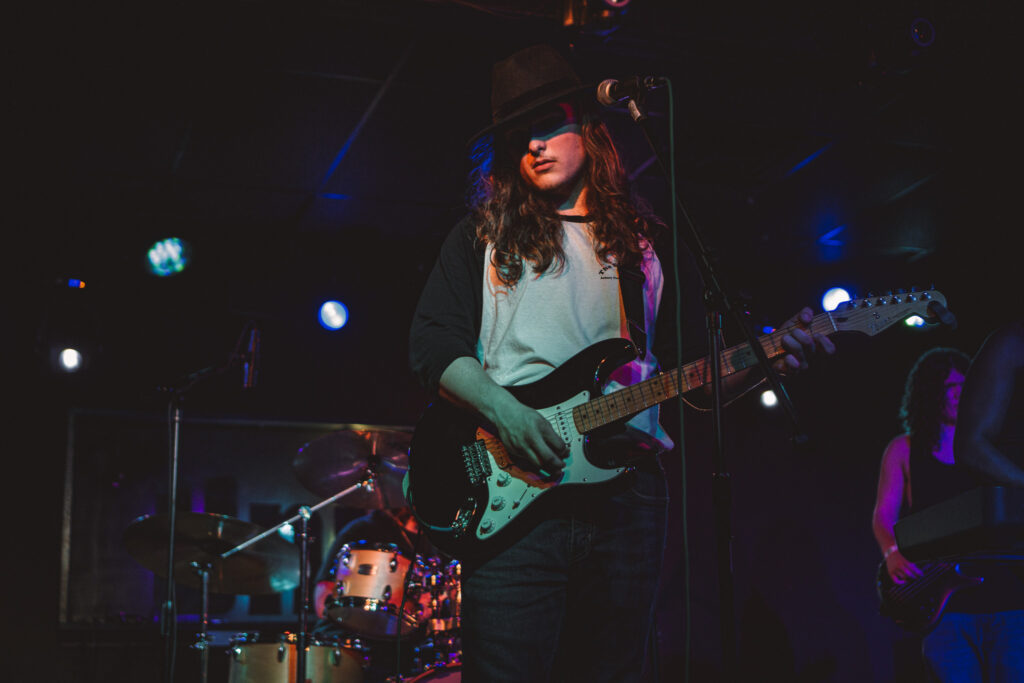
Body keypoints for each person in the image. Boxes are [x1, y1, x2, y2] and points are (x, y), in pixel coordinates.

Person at [407, 44, 835, 682]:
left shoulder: (641, 251)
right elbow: (433, 345)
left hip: (628, 500)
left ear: (588, 126)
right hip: (515, 484)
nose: (534, 144)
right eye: (518, 134)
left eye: (548, 123)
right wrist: (508, 412)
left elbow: (688, 380)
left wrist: (767, 357)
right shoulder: (483, 236)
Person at [873, 345, 1024, 681]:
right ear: (929, 394)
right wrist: (892, 553)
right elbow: (883, 515)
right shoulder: (904, 448)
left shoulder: (996, 445)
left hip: (1010, 599)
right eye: (949, 388)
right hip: (946, 608)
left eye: (964, 387)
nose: (958, 395)